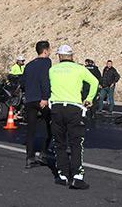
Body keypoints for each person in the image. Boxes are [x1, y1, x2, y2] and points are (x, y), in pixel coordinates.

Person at [48, 44, 98, 190]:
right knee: (76, 143)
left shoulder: (52, 70)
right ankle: (77, 176)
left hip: (56, 107)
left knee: (59, 142)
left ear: (59, 56)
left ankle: (62, 175)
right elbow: (94, 82)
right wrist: (89, 98)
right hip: (74, 109)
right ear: (72, 56)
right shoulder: (79, 68)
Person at [21, 41, 52, 169]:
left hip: (30, 100)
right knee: (49, 125)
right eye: (49, 49)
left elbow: (23, 82)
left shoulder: (28, 65)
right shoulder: (47, 62)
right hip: (41, 99)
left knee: (31, 129)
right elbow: (45, 79)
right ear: (45, 51)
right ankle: (43, 154)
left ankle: (29, 157)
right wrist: (45, 97)